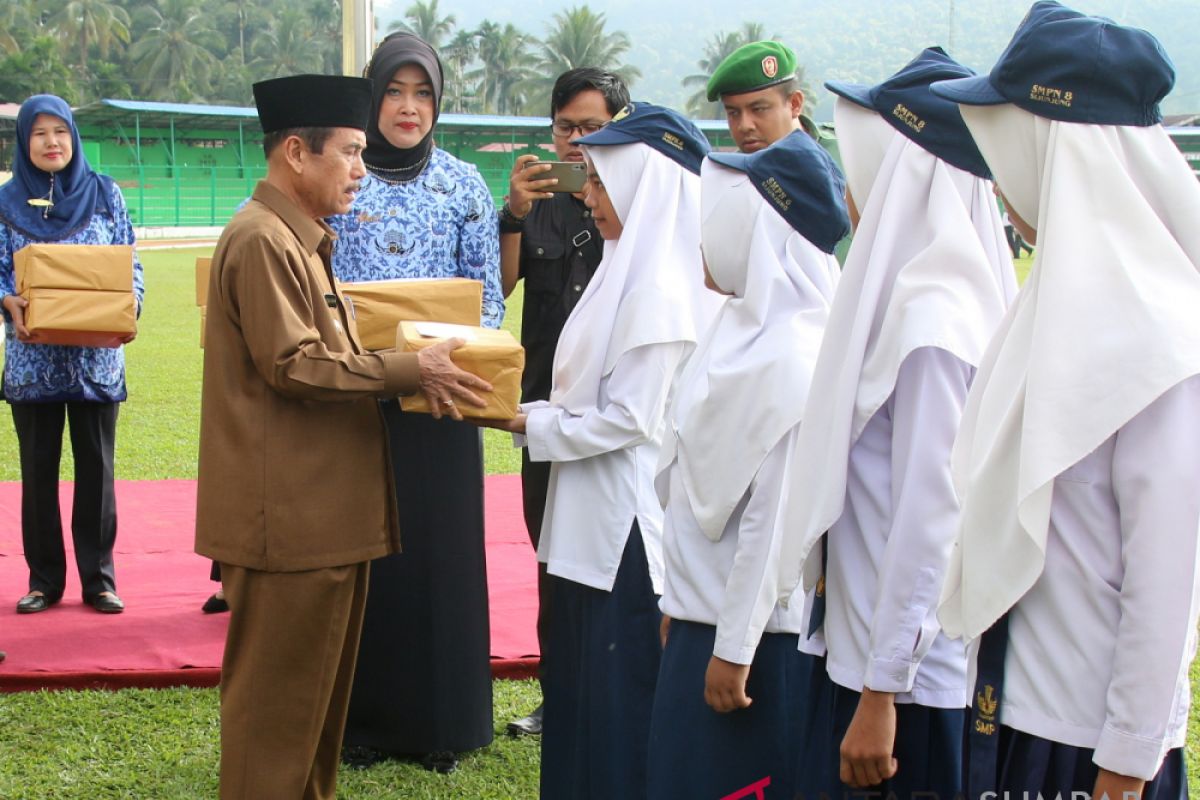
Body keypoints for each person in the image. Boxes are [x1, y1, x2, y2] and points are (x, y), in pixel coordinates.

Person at [194, 73, 489, 800]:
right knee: (276, 726)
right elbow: (295, 364)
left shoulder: (299, 238)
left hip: (321, 520)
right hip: (290, 524)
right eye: (351, 153)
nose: (362, 169)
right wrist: (407, 368)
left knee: (315, 727)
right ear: (297, 152)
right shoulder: (263, 240)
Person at [931, 3, 1200, 796]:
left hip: (1089, 750)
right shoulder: (1046, 308)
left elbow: (1169, 573)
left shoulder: (1160, 339)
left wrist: (1126, 757)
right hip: (1013, 711)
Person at [776, 48, 1016, 796]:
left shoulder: (934, 318)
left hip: (908, 686)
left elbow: (931, 516)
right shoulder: (908, 301)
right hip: (867, 653)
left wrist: (882, 691)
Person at [482, 102, 720, 799]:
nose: (586, 196)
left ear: (645, 185)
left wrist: (526, 426)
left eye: (600, 183)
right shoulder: (622, 267)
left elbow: (628, 421)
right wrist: (526, 413)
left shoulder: (660, 288)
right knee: (583, 699)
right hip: (587, 523)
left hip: (623, 534)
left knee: (618, 709)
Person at [647, 131, 847, 800]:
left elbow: (776, 528)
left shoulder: (794, 358)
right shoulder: (736, 331)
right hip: (703, 624)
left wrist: (732, 647)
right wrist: (683, 599)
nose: (703, 242)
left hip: (758, 648)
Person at [326, 32, 501, 773]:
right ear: (372, 98)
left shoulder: (465, 185)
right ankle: (363, 723)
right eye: (394, 92)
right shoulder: (343, 177)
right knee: (368, 561)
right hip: (360, 401)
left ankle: (444, 726)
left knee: (442, 561)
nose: (407, 107)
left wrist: (439, 364)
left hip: (445, 401)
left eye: (422, 93)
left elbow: (487, 297)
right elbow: (315, 283)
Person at [497, 66, 629, 737]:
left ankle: (612, 691)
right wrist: (514, 212)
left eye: (594, 128)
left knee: (613, 561)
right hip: (542, 415)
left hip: (613, 420)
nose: (578, 143)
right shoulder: (538, 204)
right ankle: (560, 697)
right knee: (550, 559)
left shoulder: (641, 209)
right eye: (566, 128)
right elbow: (501, 289)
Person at [0, 94, 144, 616]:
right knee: (38, 473)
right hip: (32, 362)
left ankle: (99, 580)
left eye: (59, 131)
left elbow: (131, 263)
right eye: (38, 133)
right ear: (24, 142)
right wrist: (5, 300)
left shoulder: (105, 194)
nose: (51, 142)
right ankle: (43, 581)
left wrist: (130, 314)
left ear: (73, 137)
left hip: (96, 362)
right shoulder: (6, 201)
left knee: (97, 471)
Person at [706, 40, 817, 154]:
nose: (745, 126)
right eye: (733, 113)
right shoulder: (729, 171)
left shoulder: (835, 150)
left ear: (794, 104)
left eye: (759, 109)